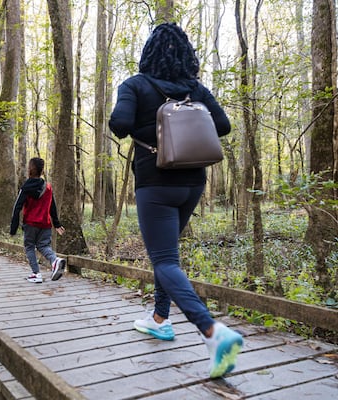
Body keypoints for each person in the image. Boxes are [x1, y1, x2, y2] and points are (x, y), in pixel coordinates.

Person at [108, 23, 242, 378]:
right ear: (185, 53)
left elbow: (119, 124)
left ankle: (213, 332)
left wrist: (141, 127)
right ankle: (160, 319)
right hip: (193, 183)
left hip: (155, 183)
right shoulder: (195, 89)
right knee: (166, 256)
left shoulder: (135, 85)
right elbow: (223, 126)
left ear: (149, 52)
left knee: (164, 259)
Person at [10, 157, 66, 283]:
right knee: (43, 245)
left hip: (31, 223)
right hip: (45, 224)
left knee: (29, 247)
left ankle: (36, 273)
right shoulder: (48, 187)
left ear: (30, 169)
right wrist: (56, 224)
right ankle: (55, 260)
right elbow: (52, 206)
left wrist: (13, 228)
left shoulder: (26, 187)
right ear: (42, 171)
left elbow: (17, 206)